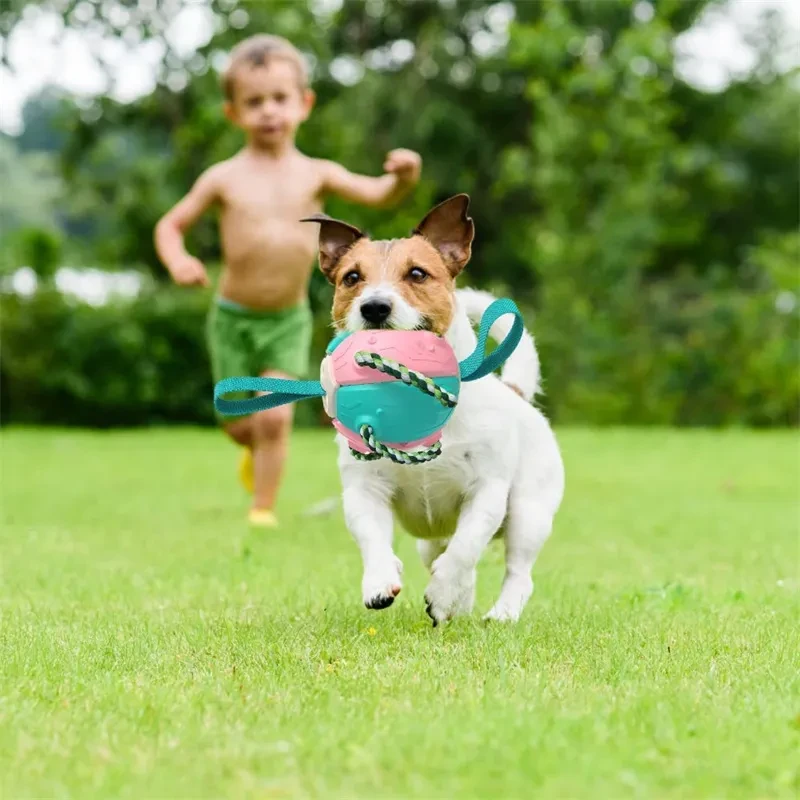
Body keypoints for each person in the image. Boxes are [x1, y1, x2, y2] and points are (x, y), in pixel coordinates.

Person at [154, 34, 422, 528]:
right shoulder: (223, 177)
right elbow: (169, 225)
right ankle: (247, 446)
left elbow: (378, 193)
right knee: (240, 423)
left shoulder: (315, 173)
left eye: (279, 99)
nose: (268, 111)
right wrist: (179, 261)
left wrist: (403, 177)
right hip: (232, 317)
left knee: (274, 414)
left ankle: (263, 509)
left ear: (304, 104)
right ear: (233, 113)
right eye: (254, 102)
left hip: (287, 319)